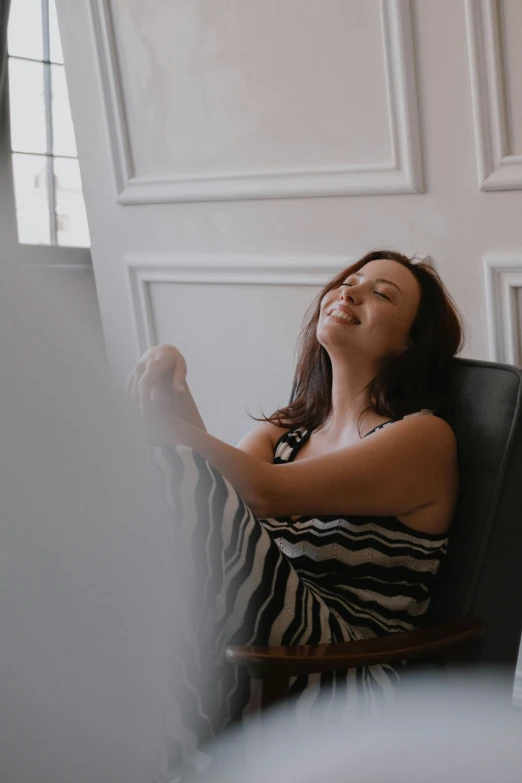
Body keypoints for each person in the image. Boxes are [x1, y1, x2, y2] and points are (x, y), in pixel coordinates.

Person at [126, 249, 465, 780]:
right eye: (349, 281)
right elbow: (222, 498)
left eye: (382, 293)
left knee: (167, 470)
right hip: (256, 650)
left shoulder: (422, 437)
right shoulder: (286, 432)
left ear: (409, 345)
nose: (350, 292)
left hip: (342, 671)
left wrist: (152, 426)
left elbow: (263, 494)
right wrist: (170, 380)